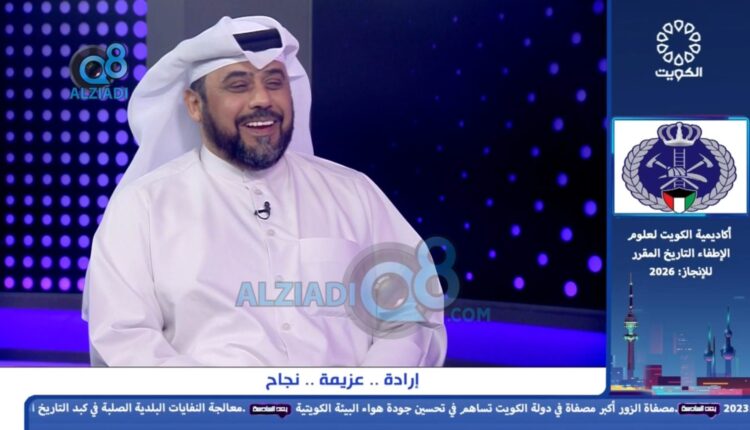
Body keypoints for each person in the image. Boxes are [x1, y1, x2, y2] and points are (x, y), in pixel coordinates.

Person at [82, 16, 447, 366]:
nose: (262, 99)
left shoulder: (353, 194)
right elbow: (125, 339)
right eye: (238, 85)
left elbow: (409, 314)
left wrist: (360, 396)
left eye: (274, 82)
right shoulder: (142, 208)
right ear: (195, 105)